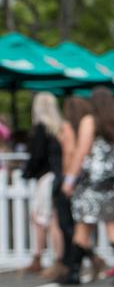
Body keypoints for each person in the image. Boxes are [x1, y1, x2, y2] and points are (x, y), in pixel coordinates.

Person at [60, 87, 114, 286]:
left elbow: (81, 152)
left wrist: (69, 180)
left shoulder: (90, 121)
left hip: (92, 183)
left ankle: (74, 272)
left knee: (83, 226)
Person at [20, 93, 65, 277]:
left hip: (46, 178)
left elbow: (37, 156)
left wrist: (27, 172)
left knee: (46, 219)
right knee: (47, 219)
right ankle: (41, 257)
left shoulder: (41, 128)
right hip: (56, 176)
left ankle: (56, 260)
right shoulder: (59, 128)